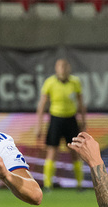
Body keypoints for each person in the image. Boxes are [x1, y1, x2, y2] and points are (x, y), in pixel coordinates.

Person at [35, 58, 87, 191]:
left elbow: (81, 103)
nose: (63, 69)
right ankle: (48, 185)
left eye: (65, 66)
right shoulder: (50, 82)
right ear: (56, 69)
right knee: (52, 151)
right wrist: (39, 126)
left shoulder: (75, 82)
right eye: (60, 67)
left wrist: (83, 120)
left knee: (75, 151)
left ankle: (80, 185)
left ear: (69, 68)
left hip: (71, 119)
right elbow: (42, 105)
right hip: (56, 119)